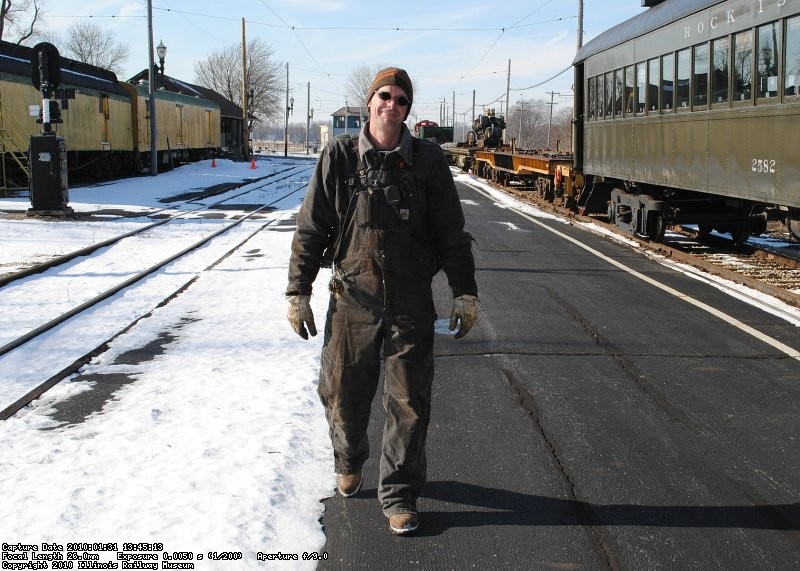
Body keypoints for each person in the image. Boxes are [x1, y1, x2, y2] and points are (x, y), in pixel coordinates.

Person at [286, 67, 478, 536]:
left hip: (411, 301)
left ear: (408, 110)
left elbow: (451, 232)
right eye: (385, 96)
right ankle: (349, 460)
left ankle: (399, 494)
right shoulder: (339, 156)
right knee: (343, 395)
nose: (392, 105)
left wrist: (464, 290)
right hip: (353, 300)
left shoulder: (429, 161)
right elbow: (312, 228)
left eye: (402, 100)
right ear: (369, 101)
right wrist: (298, 291)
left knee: (409, 402)